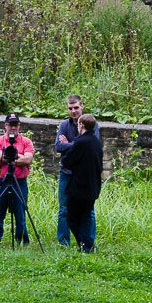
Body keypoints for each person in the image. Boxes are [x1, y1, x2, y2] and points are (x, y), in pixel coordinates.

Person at [55, 94, 100, 246]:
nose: (73, 111)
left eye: (76, 108)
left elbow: (91, 144)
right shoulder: (64, 125)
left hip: (84, 176)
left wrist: (70, 143)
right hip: (66, 173)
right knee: (63, 208)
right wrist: (77, 144)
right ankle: (63, 241)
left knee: (88, 210)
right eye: (70, 108)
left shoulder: (92, 123)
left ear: (82, 107)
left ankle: (88, 241)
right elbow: (58, 147)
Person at [0, 112, 35, 246]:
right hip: (1, 181)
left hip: (19, 181)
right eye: (10, 125)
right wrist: (18, 158)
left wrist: (9, 159)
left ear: (19, 126)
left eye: (15, 125)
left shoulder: (26, 141)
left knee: (20, 211)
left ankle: (21, 239)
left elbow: (28, 159)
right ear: (5, 125)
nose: (13, 128)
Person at [61, 114, 103, 253]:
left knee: (72, 216)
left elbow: (67, 161)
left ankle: (85, 244)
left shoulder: (81, 142)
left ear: (81, 125)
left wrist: (67, 144)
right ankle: (87, 244)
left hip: (79, 187)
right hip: (93, 186)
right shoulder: (96, 142)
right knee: (85, 216)